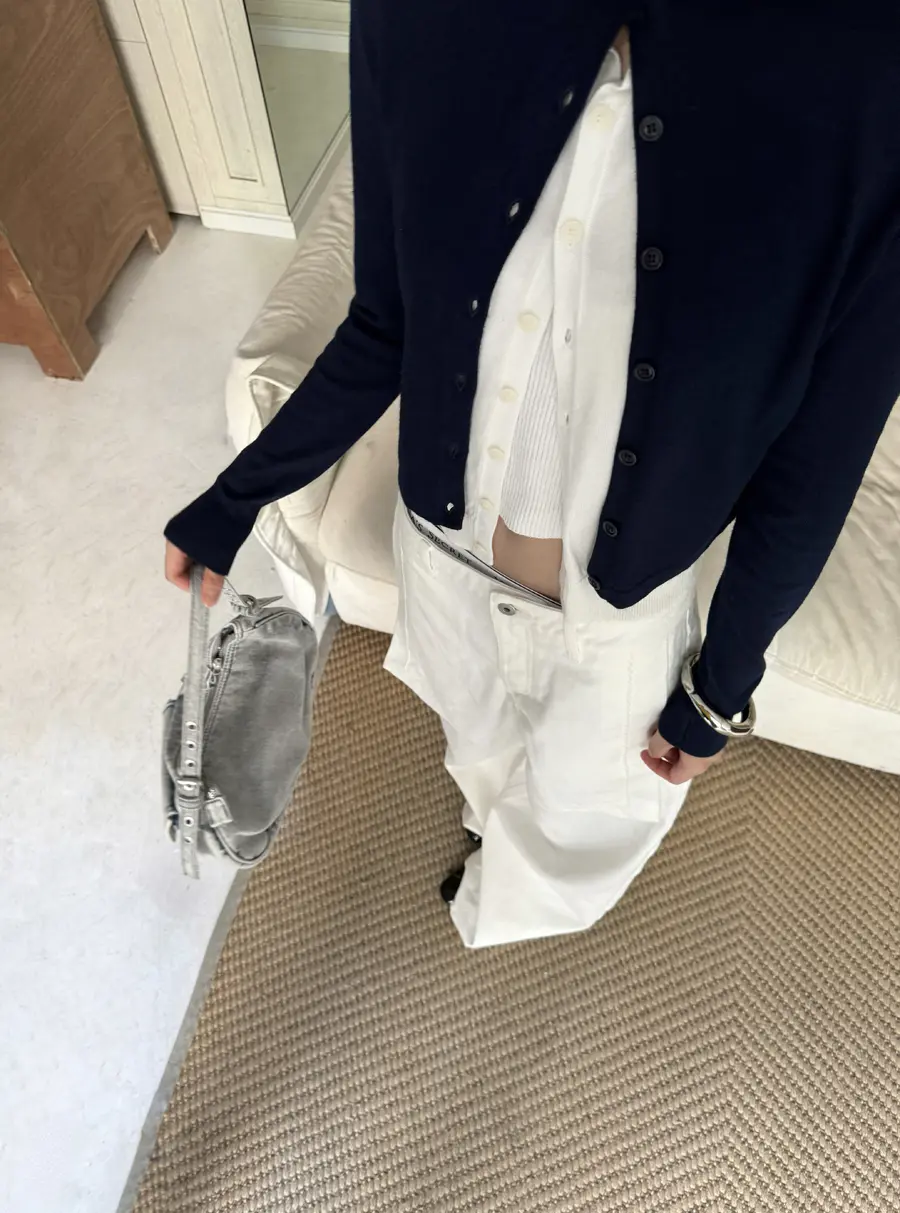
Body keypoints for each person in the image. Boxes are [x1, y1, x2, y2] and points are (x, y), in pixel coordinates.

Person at [165, 3, 900, 948]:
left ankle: (515, 905)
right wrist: (234, 499)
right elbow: (385, 323)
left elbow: (815, 462)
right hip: (439, 560)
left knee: (587, 825)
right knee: (473, 744)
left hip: (612, 621)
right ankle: (485, 830)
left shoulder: (866, 70)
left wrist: (722, 684)